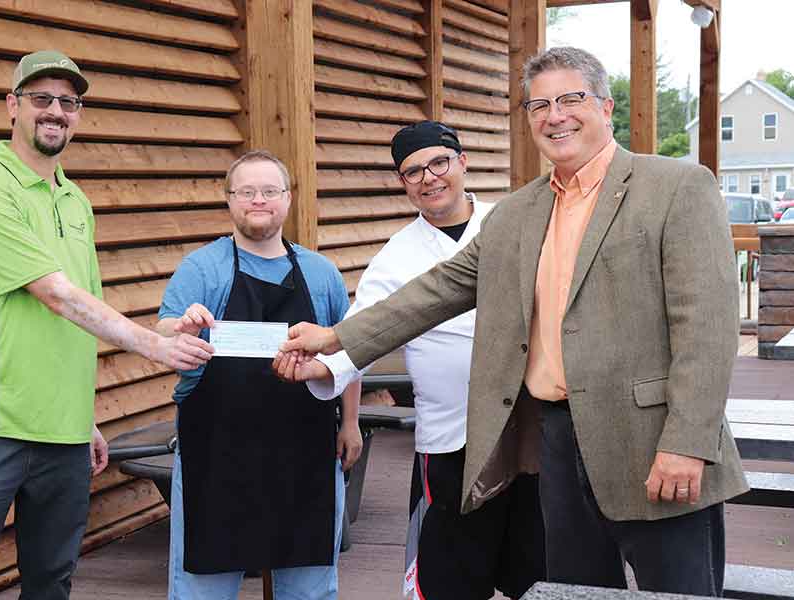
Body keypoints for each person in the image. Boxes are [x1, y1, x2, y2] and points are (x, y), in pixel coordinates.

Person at [275, 47, 748, 597]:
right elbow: (437, 290)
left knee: (679, 591)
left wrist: (687, 443)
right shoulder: (516, 213)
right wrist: (336, 337)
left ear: (606, 106)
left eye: (570, 99)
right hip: (556, 443)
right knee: (576, 591)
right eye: (539, 105)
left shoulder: (676, 187)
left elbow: (706, 330)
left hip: (653, 442)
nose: (555, 116)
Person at [0, 50, 213, 600]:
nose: (56, 111)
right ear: (12, 106)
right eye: (42, 98)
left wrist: (86, 415)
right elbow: (53, 293)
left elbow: (83, 312)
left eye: (69, 102)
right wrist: (152, 346)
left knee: (51, 585)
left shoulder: (75, 200)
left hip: (63, 433)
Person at [301, 121, 544, 600]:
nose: (429, 178)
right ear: (403, 183)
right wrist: (323, 367)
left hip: (528, 428)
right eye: (414, 171)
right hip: (450, 436)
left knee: (540, 572)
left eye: (439, 163)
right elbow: (363, 329)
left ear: (462, 163)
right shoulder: (396, 255)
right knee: (449, 578)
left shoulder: (514, 223)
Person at [155, 150, 362, 600]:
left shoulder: (320, 273)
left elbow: (347, 351)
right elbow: (164, 329)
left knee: (309, 590)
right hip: (216, 456)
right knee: (202, 590)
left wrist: (350, 422)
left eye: (269, 190)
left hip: (306, 455)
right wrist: (183, 328)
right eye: (246, 191)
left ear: (288, 199)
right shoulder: (202, 268)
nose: (258, 200)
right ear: (229, 200)